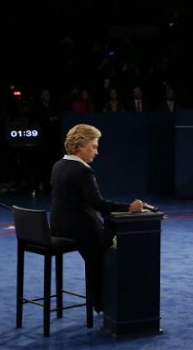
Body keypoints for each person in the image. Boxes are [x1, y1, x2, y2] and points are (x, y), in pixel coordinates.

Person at [50, 124, 144, 312]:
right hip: (79, 229)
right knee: (107, 250)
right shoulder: (82, 170)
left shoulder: (58, 164)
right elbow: (98, 203)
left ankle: (99, 301)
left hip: (59, 226)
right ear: (79, 146)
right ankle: (103, 304)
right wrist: (129, 208)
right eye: (93, 146)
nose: (97, 151)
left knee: (101, 241)